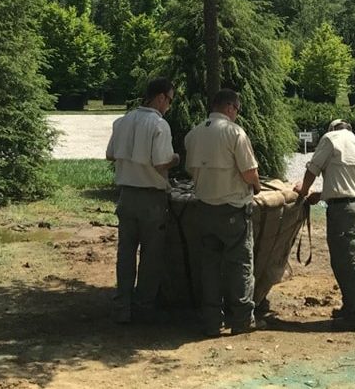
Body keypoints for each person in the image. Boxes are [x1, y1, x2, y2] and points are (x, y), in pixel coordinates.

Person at [184, 88, 262, 337]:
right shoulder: (234, 132)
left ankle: (211, 321)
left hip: (204, 208)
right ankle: (241, 319)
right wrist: (257, 187)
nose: (237, 115)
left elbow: (190, 170)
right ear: (230, 107)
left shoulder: (194, 134)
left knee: (209, 265)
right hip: (233, 209)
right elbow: (249, 172)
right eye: (237, 110)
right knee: (239, 263)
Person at [105, 76, 179, 324]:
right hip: (151, 198)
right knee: (151, 255)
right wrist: (175, 160)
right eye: (169, 100)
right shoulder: (159, 125)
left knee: (125, 253)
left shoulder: (122, 121)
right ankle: (144, 306)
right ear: (160, 97)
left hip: (126, 196)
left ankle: (121, 306)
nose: (168, 105)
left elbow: (110, 155)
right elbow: (160, 163)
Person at [295, 118, 355, 331]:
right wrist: (322, 195)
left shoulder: (330, 139)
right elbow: (352, 183)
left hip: (341, 211)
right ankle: (351, 306)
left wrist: (303, 191)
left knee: (345, 261)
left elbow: (313, 168)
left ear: (332, 129)